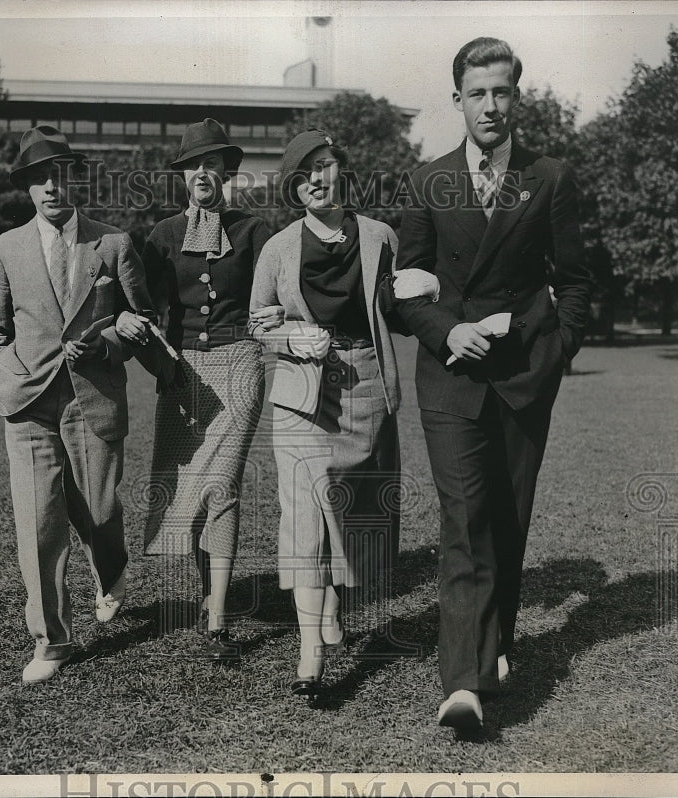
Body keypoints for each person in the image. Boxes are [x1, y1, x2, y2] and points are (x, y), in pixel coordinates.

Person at [393, 37, 592, 729]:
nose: (491, 106)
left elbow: (575, 281)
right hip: (449, 379)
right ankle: (464, 684)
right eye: (477, 93)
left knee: (507, 520)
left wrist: (557, 348)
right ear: (458, 100)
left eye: (502, 91)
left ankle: (498, 639)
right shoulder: (425, 182)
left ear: (518, 97)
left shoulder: (551, 177)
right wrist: (448, 330)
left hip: (522, 377)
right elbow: (406, 292)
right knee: (465, 519)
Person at [250, 129, 431, 697]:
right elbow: (258, 321)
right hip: (301, 391)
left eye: (326, 167)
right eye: (305, 174)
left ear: (341, 173)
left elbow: (398, 315)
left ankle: (332, 603)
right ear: (294, 187)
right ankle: (310, 651)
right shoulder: (277, 247)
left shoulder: (379, 236)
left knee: (352, 514)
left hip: (366, 384)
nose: (317, 180)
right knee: (302, 512)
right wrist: (289, 338)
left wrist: (423, 290)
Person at [0, 125, 156, 684]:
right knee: (39, 522)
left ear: (76, 180)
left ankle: (112, 568)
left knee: (100, 510)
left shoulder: (113, 243)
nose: (51, 188)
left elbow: (142, 323)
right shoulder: (5, 249)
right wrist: (7, 379)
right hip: (29, 403)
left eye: (59, 176)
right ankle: (51, 640)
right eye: (39, 180)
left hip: (94, 398)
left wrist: (107, 340)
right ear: (28, 190)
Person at [141, 119, 281, 662]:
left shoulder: (254, 231)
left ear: (227, 171)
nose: (202, 173)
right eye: (192, 165)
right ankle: (208, 594)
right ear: (182, 175)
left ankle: (218, 615)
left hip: (240, 365)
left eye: (212, 164)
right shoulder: (162, 236)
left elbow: (276, 295)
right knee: (191, 490)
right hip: (183, 375)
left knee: (222, 484)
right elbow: (142, 306)